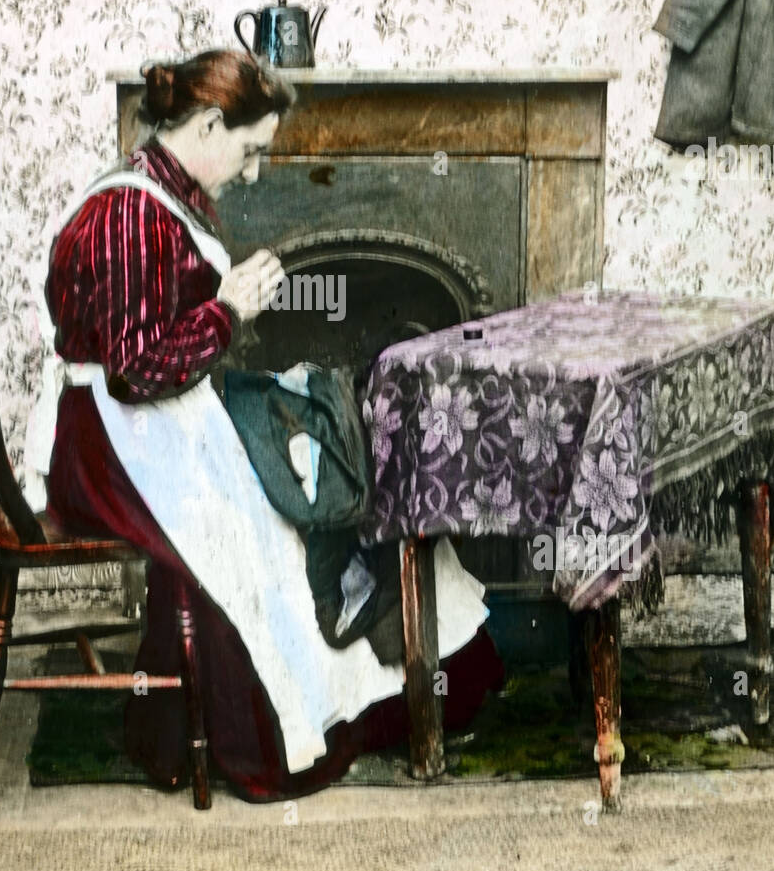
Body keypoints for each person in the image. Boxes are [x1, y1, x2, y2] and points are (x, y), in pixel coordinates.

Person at [31, 48, 503, 800]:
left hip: (147, 421)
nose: (253, 172)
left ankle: (410, 670)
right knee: (263, 533)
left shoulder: (163, 190)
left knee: (313, 469)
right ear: (211, 122)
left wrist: (225, 318)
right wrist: (229, 310)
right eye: (250, 150)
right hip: (112, 443)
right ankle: (283, 729)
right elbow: (133, 369)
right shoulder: (128, 209)